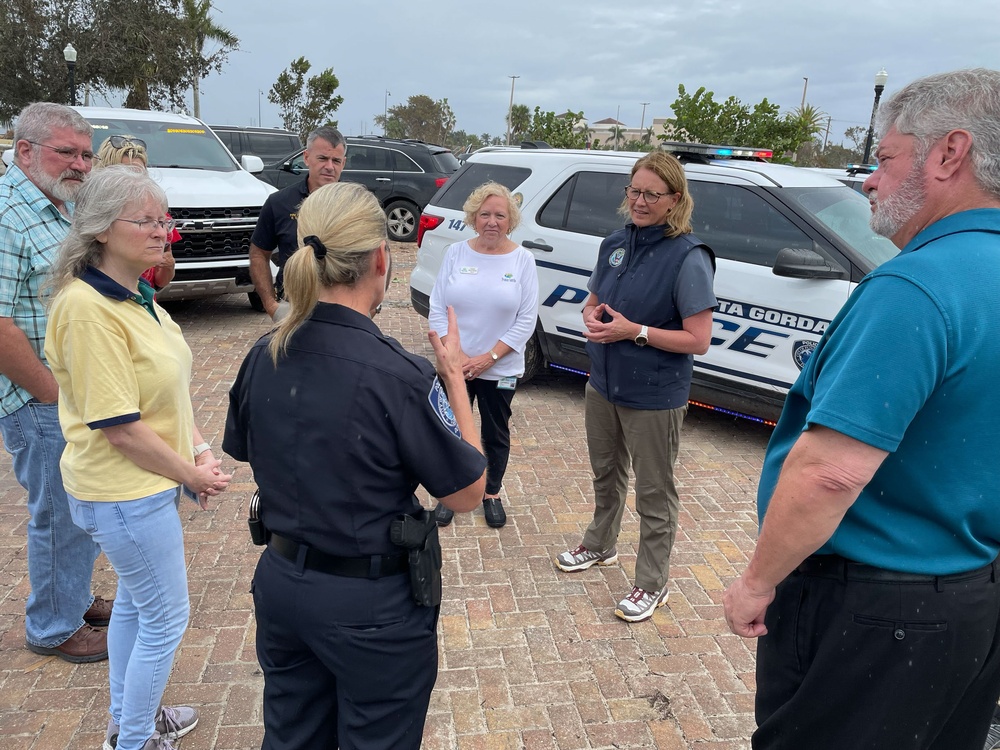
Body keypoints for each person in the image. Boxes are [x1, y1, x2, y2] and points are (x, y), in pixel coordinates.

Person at [722, 68, 1000, 750]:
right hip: (974, 599)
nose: (870, 180)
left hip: (874, 614)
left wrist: (759, 581)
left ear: (948, 153)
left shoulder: (915, 285)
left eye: (884, 158)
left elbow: (830, 473)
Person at [223, 181, 487, 749]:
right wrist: (455, 384)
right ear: (380, 258)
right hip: (370, 606)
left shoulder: (263, 354)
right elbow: (467, 492)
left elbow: (247, 448)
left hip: (282, 583)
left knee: (292, 736)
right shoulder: (400, 375)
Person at [44, 166, 232, 750]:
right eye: (145, 221)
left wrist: (196, 448)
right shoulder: (86, 309)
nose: (161, 231)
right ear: (101, 229)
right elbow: (119, 427)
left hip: (142, 486)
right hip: (124, 490)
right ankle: (135, 740)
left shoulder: (137, 297)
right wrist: (190, 473)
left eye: (163, 219)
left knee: (135, 604)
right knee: (165, 619)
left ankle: (130, 722)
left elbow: (165, 395)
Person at [555, 151, 717, 623]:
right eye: (634, 191)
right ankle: (601, 544)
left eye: (652, 194)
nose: (640, 201)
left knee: (654, 492)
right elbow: (595, 299)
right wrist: (589, 314)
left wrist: (636, 332)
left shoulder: (688, 256)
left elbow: (699, 339)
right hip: (604, 383)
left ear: (675, 200)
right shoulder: (614, 243)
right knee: (606, 472)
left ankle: (652, 582)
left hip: (654, 394)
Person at [0, 101, 110, 663]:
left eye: (86, 154)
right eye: (67, 152)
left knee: (79, 506)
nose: (81, 165)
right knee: (58, 513)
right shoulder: (7, 215)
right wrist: (50, 392)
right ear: (24, 151)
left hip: (66, 395)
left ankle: (76, 596)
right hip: (39, 399)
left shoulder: (55, 207)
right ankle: (52, 626)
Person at [428, 181, 538, 528]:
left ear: (511, 221)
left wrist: (487, 358)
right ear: (473, 218)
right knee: (451, 430)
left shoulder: (522, 260)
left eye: (500, 215)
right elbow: (436, 307)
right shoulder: (456, 254)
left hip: (499, 367)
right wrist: (453, 354)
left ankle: (491, 492)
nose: (492, 221)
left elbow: (527, 320)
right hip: (454, 365)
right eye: (485, 214)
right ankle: (451, 491)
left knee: (495, 433)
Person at [248, 125, 346, 319]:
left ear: (343, 163)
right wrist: (271, 305)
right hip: (293, 310)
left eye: (336, 160)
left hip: (343, 310)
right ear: (306, 158)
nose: (329, 166)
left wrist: (369, 308)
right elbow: (258, 253)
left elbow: (376, 255)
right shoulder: (279, 203)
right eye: (322, 158)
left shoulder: (354, 205)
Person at [94, 134, 177, 291]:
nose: (134, 182)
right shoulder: (88, 215)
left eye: (139, 174)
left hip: (143, 303)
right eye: (125, 174)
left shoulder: (160, 220)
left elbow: (160, 281)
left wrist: (168, 266)